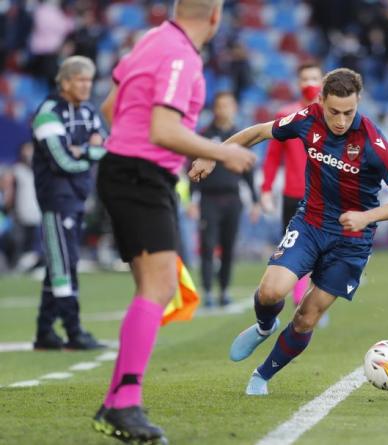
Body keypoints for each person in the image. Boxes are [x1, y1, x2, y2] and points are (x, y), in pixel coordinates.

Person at [189, 68, 388, 396]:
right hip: (310, 223)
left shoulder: (372, 142)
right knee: (271, 292)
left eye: (348, 113)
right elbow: (258, 132)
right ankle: (263, 326)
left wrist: (368, 216)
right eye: (334, 112)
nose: (340, 121)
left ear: (358, 105)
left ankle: (261, 376)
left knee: (306, 318)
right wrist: (213, 156)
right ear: (320, 101)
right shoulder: (307, 119)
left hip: (352, 240)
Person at [93, 1, 255, 442]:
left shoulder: (150, 40)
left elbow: (111, 108)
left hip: (125, 170)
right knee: (160, 286)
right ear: (216, 18)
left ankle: (117, 401)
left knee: (157, 286)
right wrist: (222, 151)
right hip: (140, 175)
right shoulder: (183, 56)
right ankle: (124, 404)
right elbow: (162, 129)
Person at [31, 56, 106, 351]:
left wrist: (82, 150)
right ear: (64, 82)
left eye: (89, 80)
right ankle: (74, 332)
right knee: (65, 264)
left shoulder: (89, 111)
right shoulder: (47, 114)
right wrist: (91, 151)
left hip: (77, 196)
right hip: (55, 199)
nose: (86, 86)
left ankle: (44, 332)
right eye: (80, 80)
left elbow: (108, 146)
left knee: (58, 264)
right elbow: (60, 161)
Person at [260, 61, 323, 307]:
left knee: (322, 250)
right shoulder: (285, 115)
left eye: (314, 78)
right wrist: (265, 190)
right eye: (305, 79)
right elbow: (273, 157)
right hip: (294, 195)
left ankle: (311, 299)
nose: (310, 84)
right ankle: (301, 299)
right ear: (298, 83)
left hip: (323, 195)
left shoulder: (331, 115)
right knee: (296, 252)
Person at [194, 91, 260, 307]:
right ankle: (207, 292)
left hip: (233, 199)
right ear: (215, 109)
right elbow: (192, 166)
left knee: (228, 247)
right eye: (220, 106)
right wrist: (191, 201)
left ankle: (224, 290)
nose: (223, 110)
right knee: (208, 246)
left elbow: (248, 171)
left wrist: (255, 200)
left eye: (228, 106)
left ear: (234, 109)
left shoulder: (240, 135)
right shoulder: (204, 134)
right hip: (208, 199)